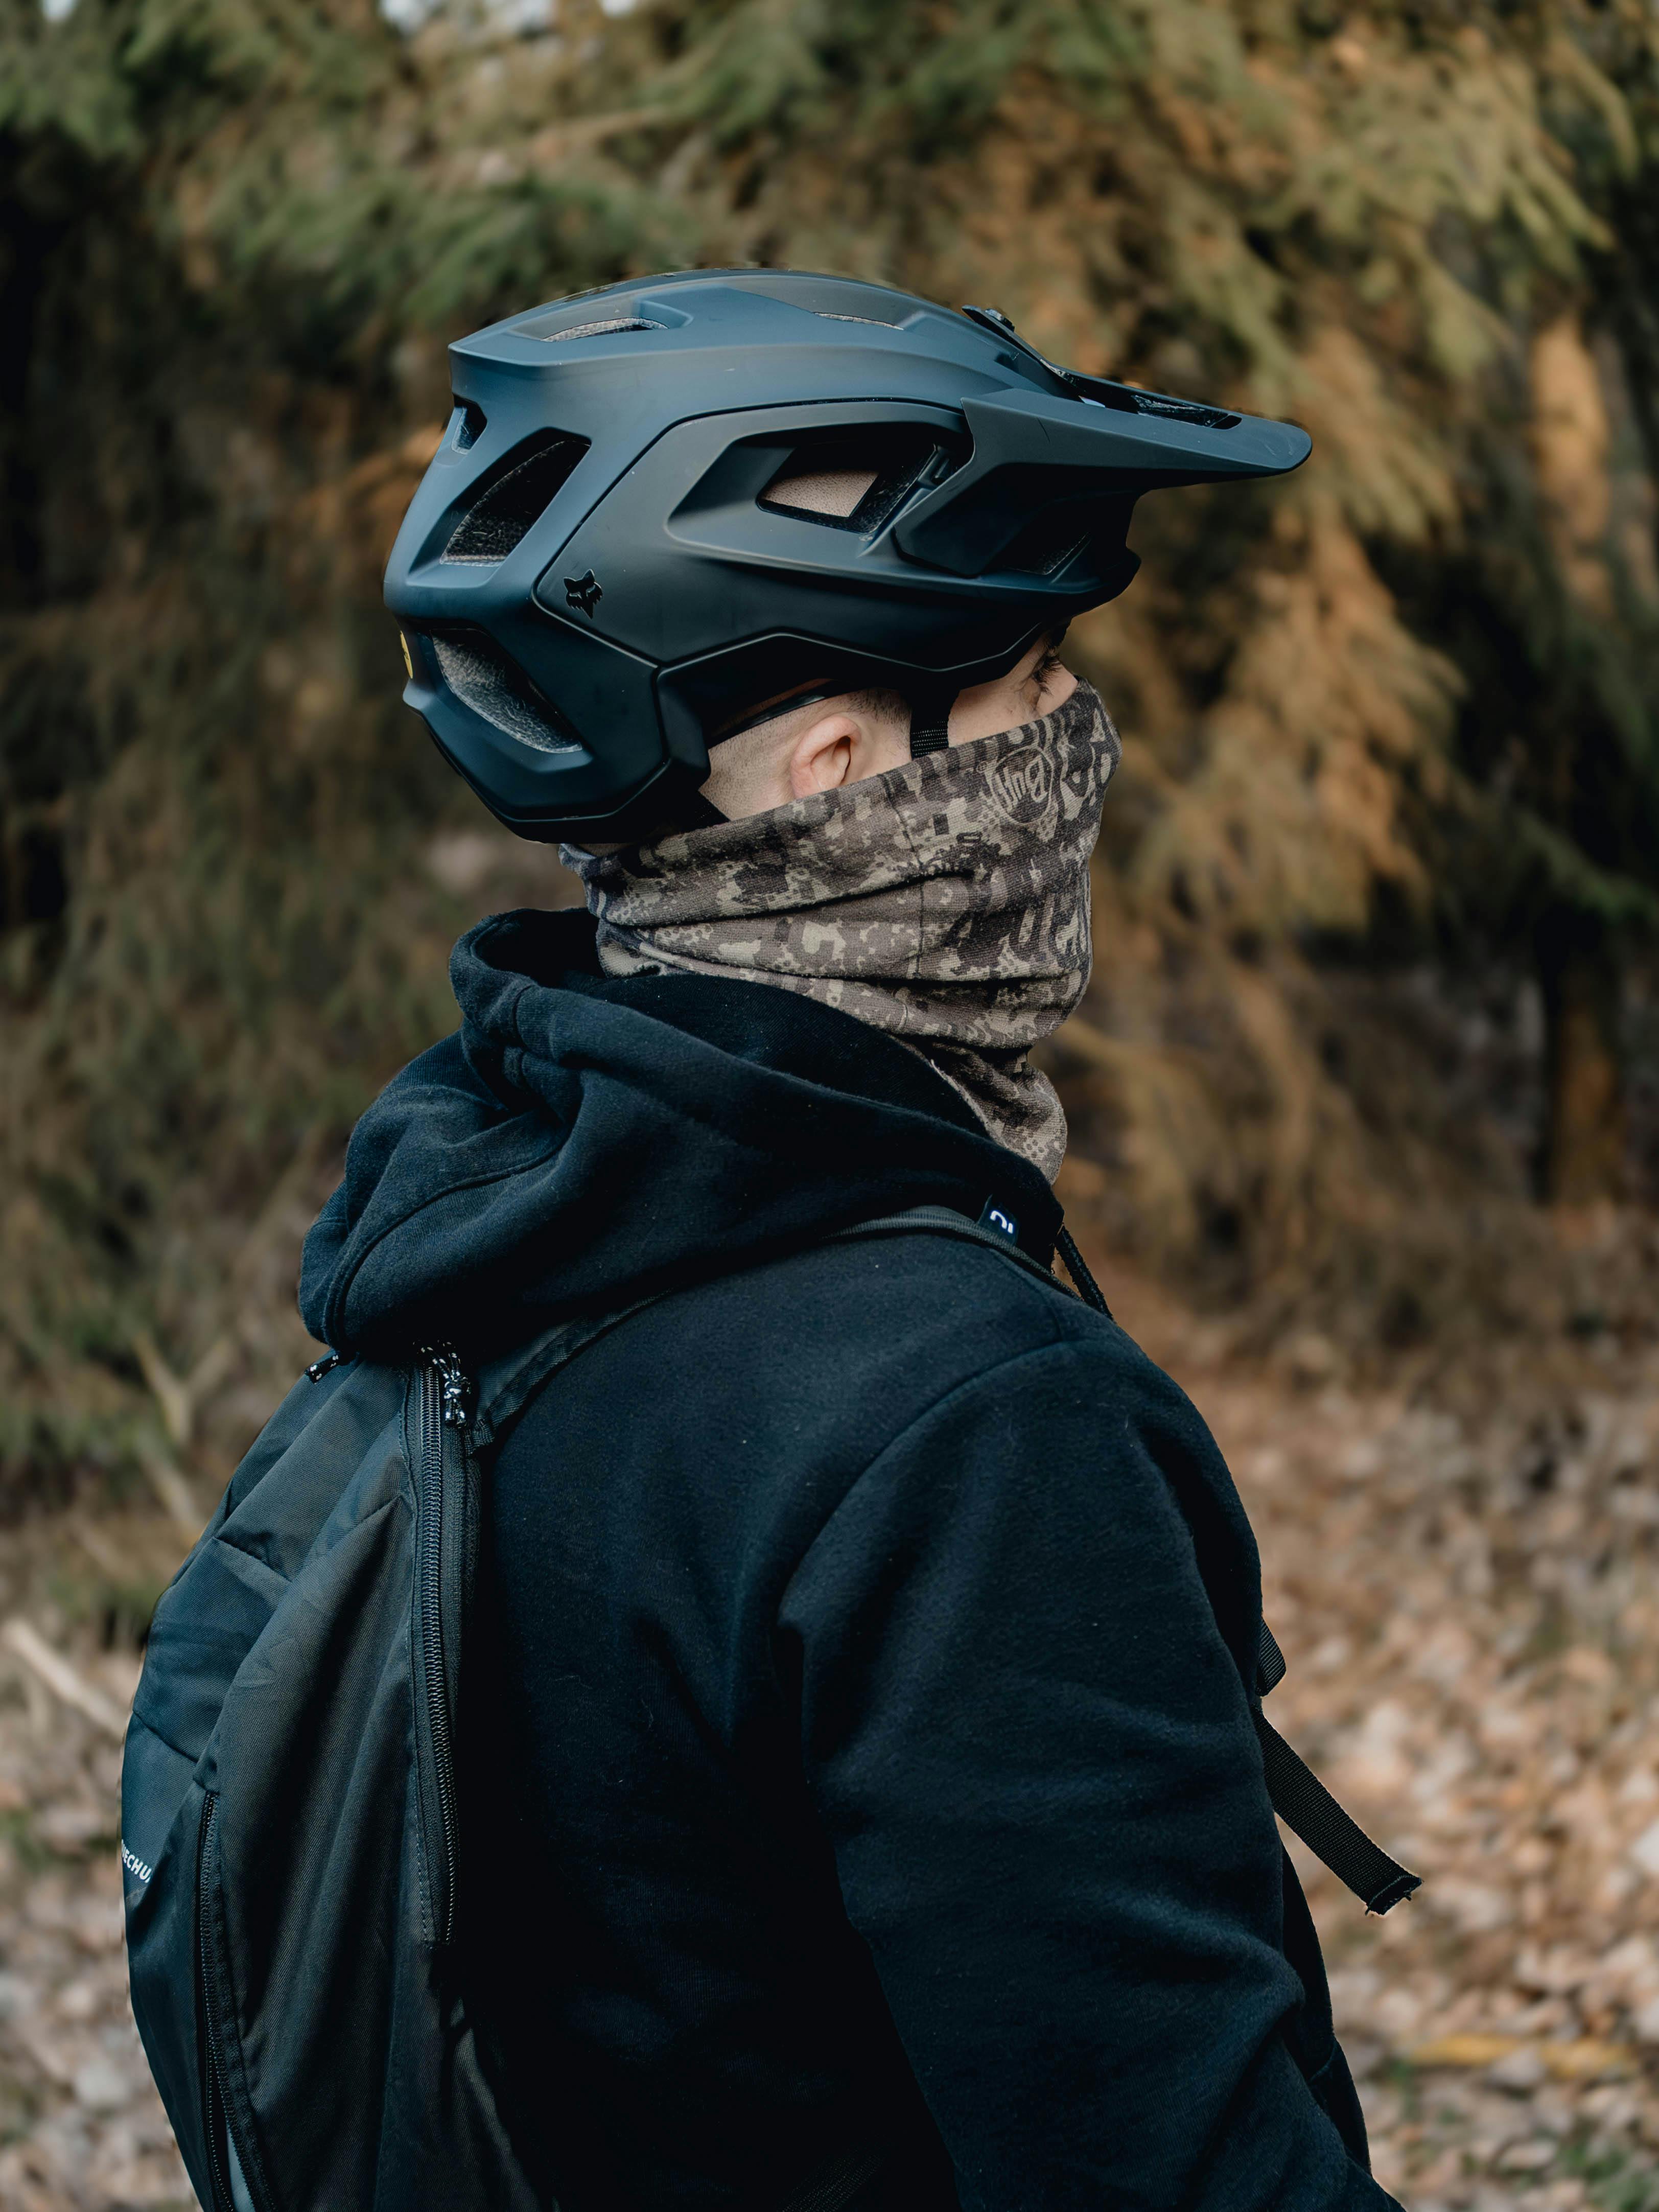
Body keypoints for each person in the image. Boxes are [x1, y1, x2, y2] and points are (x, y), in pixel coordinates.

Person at [303, 268, 1403, 2208]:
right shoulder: (964, 1431)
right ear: (845, 777)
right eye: (1039, 683)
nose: (1081, 742)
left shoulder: (484, 1231)